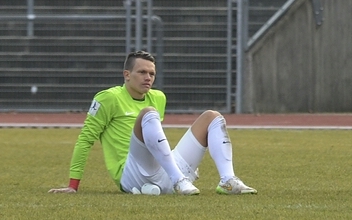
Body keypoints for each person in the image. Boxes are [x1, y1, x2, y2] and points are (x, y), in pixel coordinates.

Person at [49, 50, 256, 196]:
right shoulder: (108, 98)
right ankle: (177, 180)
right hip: (129, 174)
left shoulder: (158, 97)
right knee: (147, 113)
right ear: (126, 75)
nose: (148, 77)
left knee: (212, 116)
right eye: (142, 72)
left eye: (152, 74)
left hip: (162, 170)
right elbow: (85, 140)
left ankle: (227, 180)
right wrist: (73, 185)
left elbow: (155, 141)